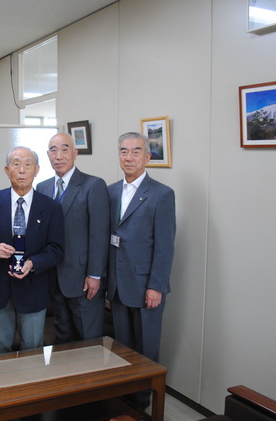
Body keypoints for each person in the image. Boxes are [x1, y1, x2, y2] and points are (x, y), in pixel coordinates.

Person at [107, 132, 176, 410]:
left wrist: (156, 286)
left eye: (136, 152)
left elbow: (165, 245)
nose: (129, 157)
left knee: (146, 348)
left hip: (146, 285)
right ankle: (125, 396)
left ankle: (143, 401)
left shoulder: (161, 194)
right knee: (123, 347)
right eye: (124, 151)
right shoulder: (110, 191)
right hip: (118, 285)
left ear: (147, 157)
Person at [0, 146, 64, 354]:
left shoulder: (51, 207)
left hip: (34, 288)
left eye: (27, 164)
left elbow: (56, 249)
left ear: (37, 170)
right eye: (16, 164)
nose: (22, 170)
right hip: (0, 289)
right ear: (7, 170)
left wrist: (33, 263)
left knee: (32, 350)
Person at [37, 133, 109, 343]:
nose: (58, 156)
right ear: (48, 155)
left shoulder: (93, 185)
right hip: (54, 279)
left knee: (89, 341)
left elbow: (99, 234)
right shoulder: (43, 187)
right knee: (63, 340)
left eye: (64, 149)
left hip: (83, 280)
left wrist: (95, 275)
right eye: (53, 150)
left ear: (75, 153)